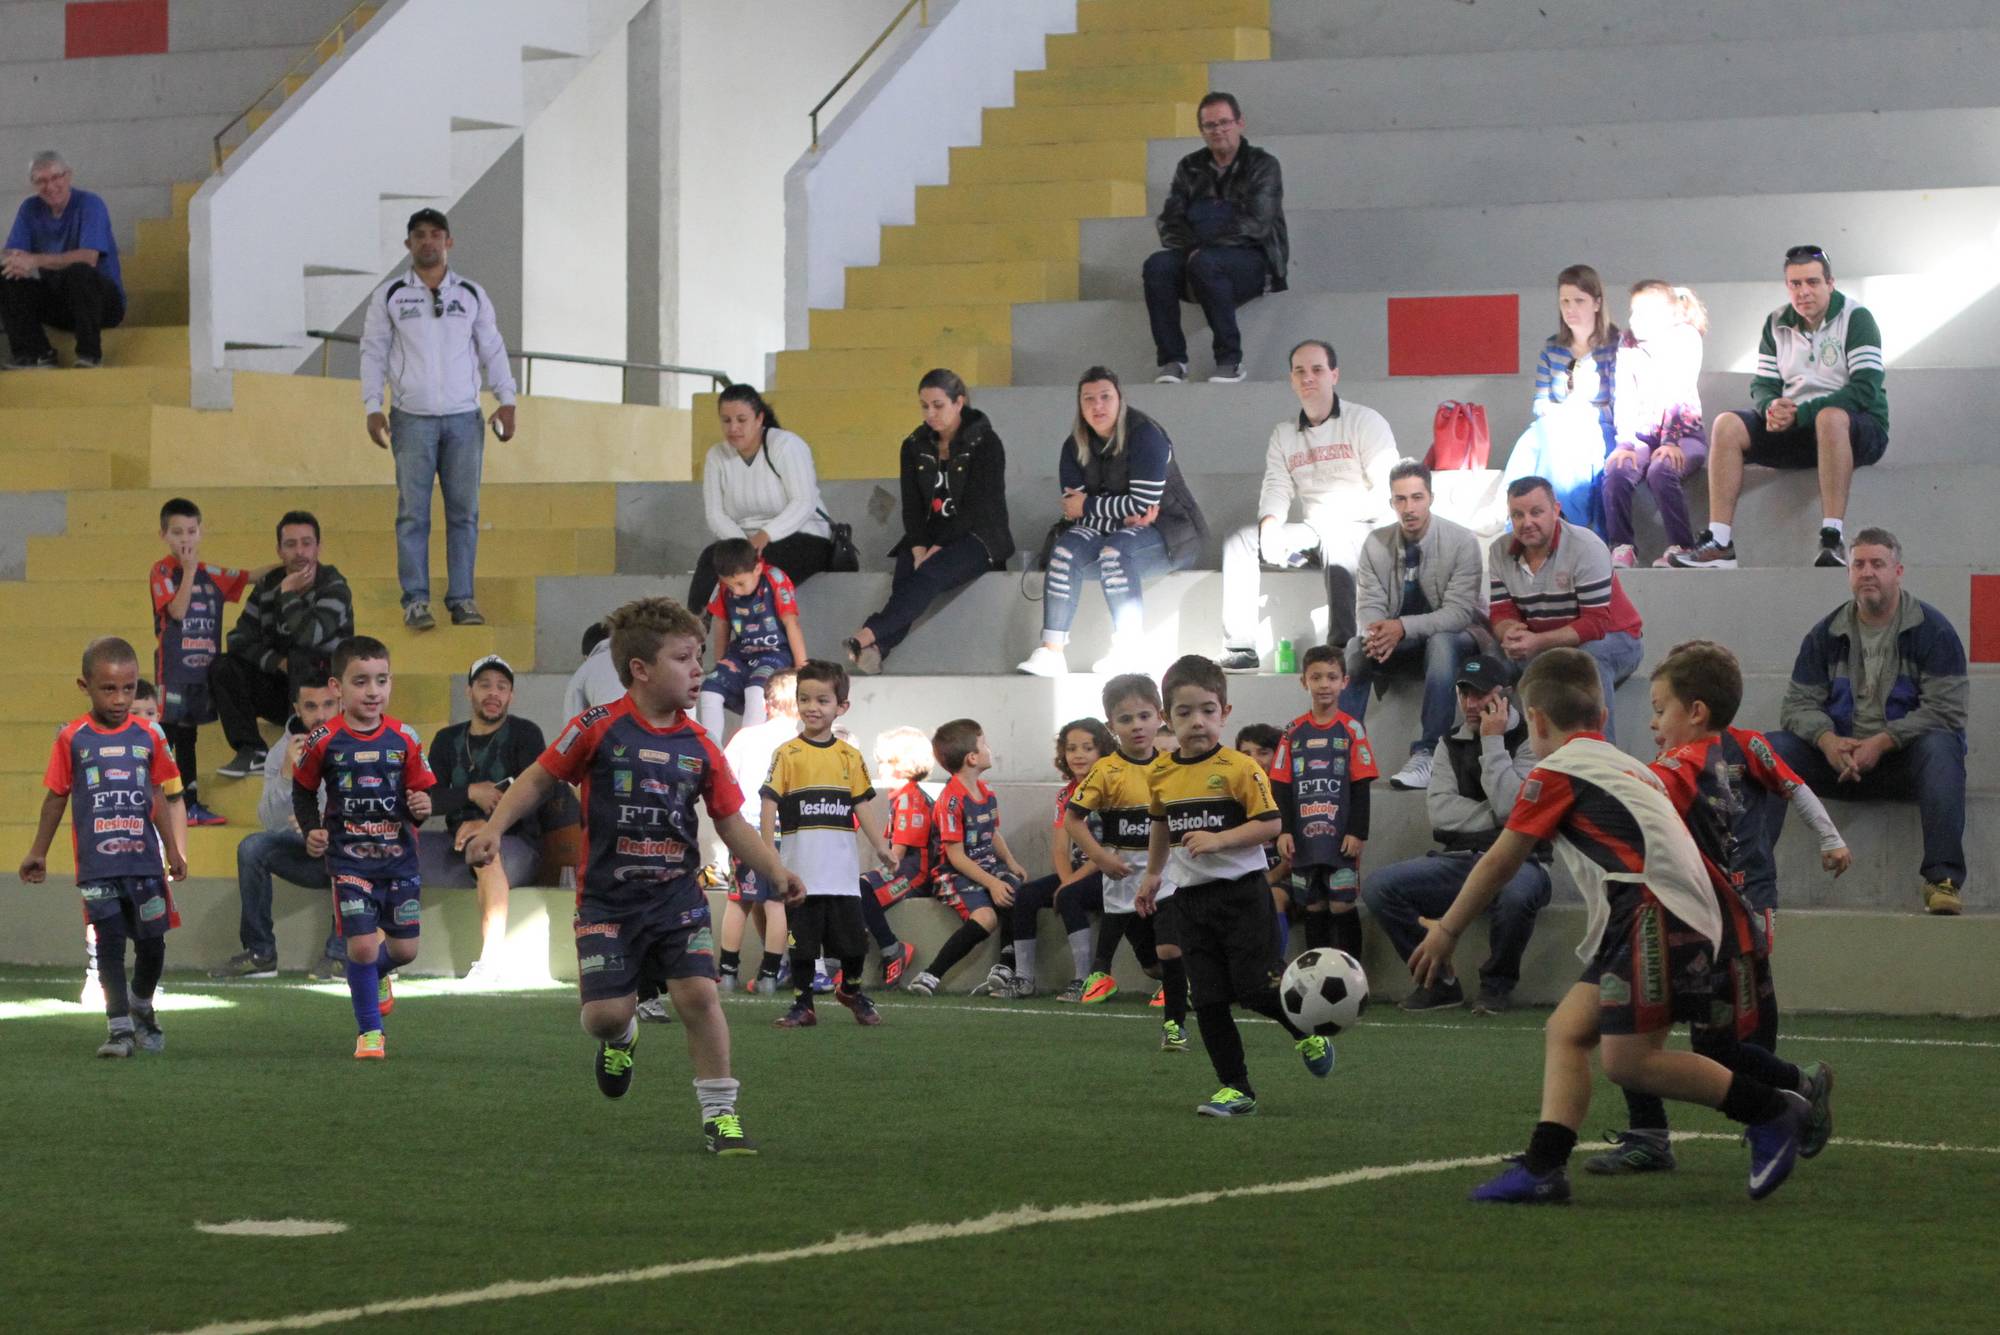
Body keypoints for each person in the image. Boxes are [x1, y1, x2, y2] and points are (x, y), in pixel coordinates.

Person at [1408, 648, 1812, 1204]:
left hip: (1650, 911)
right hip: (1672, 910)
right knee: (1568, 1031)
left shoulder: (1557, 771)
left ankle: (1771, 1112)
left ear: (1537, 721)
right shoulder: (1626, 764)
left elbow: (1501, 860)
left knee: (1630, 1062)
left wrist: (1449, 930)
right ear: (1601, 717)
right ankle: (1545, 1167)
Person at [466, 596, 805, 1155]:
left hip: (677, 898)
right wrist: (495, 828)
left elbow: (730, 820)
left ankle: (721, 1114)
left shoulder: (701, 745)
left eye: (699, 657)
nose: (698, 670)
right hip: (606, 902)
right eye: (684, 659)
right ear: (641, 669)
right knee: (603, 1016)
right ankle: (621, 1037)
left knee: (699, 996)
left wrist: (774, 868)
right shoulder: (597, 727)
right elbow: (538, 779)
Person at [1586, 641, 1842, 1176]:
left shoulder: (1691, 762)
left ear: (1697, 711)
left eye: (1660, 709)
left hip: (1708, 922)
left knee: (1650, 1029)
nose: (1653, 722)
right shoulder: (1697, 759)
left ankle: (1772, 1100)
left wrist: (1576, 774)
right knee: (1689, 1039)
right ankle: (1790, 1088)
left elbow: (1640, 794)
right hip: (1699, 921)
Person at [1139, 654, 1329, 1116]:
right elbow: (1161, 826)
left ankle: (1305, 1031)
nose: (1197, 722)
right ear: (1166, 717)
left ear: (1224, 713)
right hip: (1189, 902)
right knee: (1206, 999)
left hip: (1243, 896)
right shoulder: (1161, 772)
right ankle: (1236, 1088)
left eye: (1207, 710)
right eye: (1184, 712)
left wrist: (1219, 839)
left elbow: (1270, 824)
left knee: (1254, 989)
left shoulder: (1241, 768)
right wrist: (1152, 873)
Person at [1760, 529, 1968, 915]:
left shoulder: (1933, 631)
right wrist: (1827, 741)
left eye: (1877, 564)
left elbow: (1947, 710)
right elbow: (1797, 706)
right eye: (1859, 564)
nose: (1867, 572)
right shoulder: (1826, 633)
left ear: (1898, 572)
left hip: (1902, 763)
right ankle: (1752, 882)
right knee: (1767, 750)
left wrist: (1882, 742)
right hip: (1839, 762)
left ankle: (1943, 880)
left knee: (1942, 747)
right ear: (1849, 573)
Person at [19, 637, 187, 1057]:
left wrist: (172, 849)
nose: (120, 699)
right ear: (86, 686)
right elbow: (56, 797)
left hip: (145, 863)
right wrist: (38, 851)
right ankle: (119, 1030)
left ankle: (141, 1003)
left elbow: (157, 794)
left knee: (152, 945)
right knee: (109, 943)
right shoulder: (72, 738)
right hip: (97, 865)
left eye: (128, 688)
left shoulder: (149, 736)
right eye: (109, 689)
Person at [1672, 244, 1888, 570]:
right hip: (1799, 427)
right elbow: (1763, 384)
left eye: (1812, 282)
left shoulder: (1857, 318)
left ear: (1830, 283)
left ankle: (1832, 538)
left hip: (1857, 427)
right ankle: (1720, 542)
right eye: (1795, 284)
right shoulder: (1776, 321)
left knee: (1829, 419)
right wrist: (1771, 407)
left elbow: (1865, 389)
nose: (1803, 292)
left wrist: (1801, 413)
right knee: (1727, 424)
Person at [1363, 652, 1551, 1016]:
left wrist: (1493, 742)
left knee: (1516, 894)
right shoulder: (1448, 744)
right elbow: (1443, 815)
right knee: (1379, 887)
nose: (1470, 703)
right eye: (1464, 693)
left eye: (1480, 694)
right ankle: (1439, 983)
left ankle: (1495, 988)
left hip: (1523, 861)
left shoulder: (1533, 740)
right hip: (1460, 861)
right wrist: (1500, 817)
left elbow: (1511, 808)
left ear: (1505, 695)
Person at [359, 208, 518, 630]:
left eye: (435, 234)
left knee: (464, 513)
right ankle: (415, 600)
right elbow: (373, 351)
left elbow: (492, 348)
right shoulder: (391, 295)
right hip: (411, 419)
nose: (427, 241)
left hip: (465, 419)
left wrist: (506, 399)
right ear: (408, 244)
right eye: (419, 235)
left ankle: (462, 598)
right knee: (413, 513)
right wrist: (372, 405)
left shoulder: (471, 293)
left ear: (448, 241)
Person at [292, 637, 437, 1059]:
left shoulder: (405, 738)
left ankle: (375, 976)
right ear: (337, 687)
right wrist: (311, 830)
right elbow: (303, 790)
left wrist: (422, 807)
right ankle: (370, 1032)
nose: (373, 691)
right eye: (361, 682)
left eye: (381, 680)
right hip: (349, 861)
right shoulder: (323, 739)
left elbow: (422, 795)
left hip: (399, 860)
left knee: (405, 950)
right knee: (361, 946)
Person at [1220, 339, 1398, 672]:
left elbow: (1387, 494)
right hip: (1313, 534)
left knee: (1337, 536)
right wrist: (1270, 523)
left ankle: (1342, 647)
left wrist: (1332, 520)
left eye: (1317, 369)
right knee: (1240, 539)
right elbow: (1277, 486)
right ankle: (1241, 647)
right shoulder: (1284, 433)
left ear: (1334, 375)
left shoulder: (1365, 421)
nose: (1308, 377)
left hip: (1366, 533)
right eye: (1299, 371)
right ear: (1291, 379)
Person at [1018, 367, 1208, 676]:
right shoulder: (1073, 445)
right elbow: (1075, 510)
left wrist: (1091, 506)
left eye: (1105, 397)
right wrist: (1119, 515)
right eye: (1088, 399)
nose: (1098, 406)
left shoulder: (1146, 435)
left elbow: (1140, 505)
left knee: (1115, 551)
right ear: (1080, 405)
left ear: (1120, 399)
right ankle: (1051, 651)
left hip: (1171, 533)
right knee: (1064, 550)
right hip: (1115, 531)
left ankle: (1129, 649)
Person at [846, 369, 1015, 674]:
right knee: (906, 573)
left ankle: (867, 635)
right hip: (931, 530)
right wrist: (918, 545)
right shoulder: (914, 444)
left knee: (931, 572)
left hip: (979, 535)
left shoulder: (985, 443)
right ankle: (879, 648)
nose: (930, 414)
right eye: (924, 406)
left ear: (958, 402)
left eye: (938, 405)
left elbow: (977, 506)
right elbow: (911, 505)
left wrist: (937, 547)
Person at [761, 661, 894, 1028]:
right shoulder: (787, 754)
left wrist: (881, 846)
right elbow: (769, 801)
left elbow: (861, 805)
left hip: (841, 876)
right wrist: (768, 850)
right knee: (802, 945)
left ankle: (850, 989)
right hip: (800, 874)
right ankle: (803, 1004)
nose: (812, 707)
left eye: (822, 700)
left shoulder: (849, 757)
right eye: (804, 699)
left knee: (854, 944)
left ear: (841, 707)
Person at [1341, 460, 1483, 790]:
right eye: (1401, 499)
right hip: (1398, 643)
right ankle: (1345, 751)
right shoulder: (1376, 542)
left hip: (1453, 642)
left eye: (1417, 497)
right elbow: (1369, 604)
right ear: (1391, 502)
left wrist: (1401, 627)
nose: (1409, 508)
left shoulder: (1461, 541)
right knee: (1355, 648)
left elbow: (1459, 613)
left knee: (1442, 642)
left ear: (1431, 497)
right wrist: (1376, 633)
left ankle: (1429, 752)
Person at [421, 655, 555, 983]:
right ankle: (380, 953)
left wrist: (488, 827)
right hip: (454, 845)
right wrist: (470, 793)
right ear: (469, 691)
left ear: (511, 696)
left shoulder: (525, 734)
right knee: (390, 848)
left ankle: (489, 962)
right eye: (484, 685)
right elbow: (427, 800)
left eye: (502, 687)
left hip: (515, 843)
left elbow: (539, 793)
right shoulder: (447, 740)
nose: (493, 693)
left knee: (486, 850)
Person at [208, 672, 347, 982]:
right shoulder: (280, 753)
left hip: (348, 852)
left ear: (341, 703)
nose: (320, 715)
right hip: (307, 854)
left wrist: (327, 825)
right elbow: (271, 823)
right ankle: (261, 953)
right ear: (297, 709)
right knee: (252, 847)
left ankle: (341, 954)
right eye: (310, 706)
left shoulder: (357, 743)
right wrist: (287, 775)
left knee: (357, 845)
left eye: (328, 705)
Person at [1486, 477, 1644, 744]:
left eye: (1536, 512)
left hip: (1616, 638)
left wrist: (1537, 642)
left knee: (1587, 661)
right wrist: (1510, 632)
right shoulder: (1499, 550)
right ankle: (1502, 754)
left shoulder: (1586, 546)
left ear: (1555, 510)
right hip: (1544, 642)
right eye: (1518, 515)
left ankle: (1600, 757)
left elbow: (1595, 624)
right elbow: (1501, 612)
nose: (1526, 522)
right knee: (1488, 660)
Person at [1143, 92, 1287, 384]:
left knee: (1206, 262)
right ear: (1201, 130)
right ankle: (1172, 361)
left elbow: (1257, 224)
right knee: (1157, 265)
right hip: (1198, 256)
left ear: (1239, 123)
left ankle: (1230, 360)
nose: (1218, 130)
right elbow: (1169, 221)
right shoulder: (1189, 166)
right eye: (1210, 125)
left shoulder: (1263, 164)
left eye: (1224, 122)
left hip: (1253, 261)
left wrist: (1203, 243)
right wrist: (1195, 248)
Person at [211, 511, 354, 779]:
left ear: (318, 547)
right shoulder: (268, 584)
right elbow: (238, 639)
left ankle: (307, 748)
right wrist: (277, 662)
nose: (299, 551)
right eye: (290, 544)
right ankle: (252, 751)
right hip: (281, 688)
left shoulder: (334, 585)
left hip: (327, 694)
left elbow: (310, 636)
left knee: (304, 655)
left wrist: (288, 593)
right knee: (223, 666)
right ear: (279, 550)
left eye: (306, 543)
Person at [150, 497, 262, 826]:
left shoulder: (212, 574)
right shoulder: (162, 571)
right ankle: (155, 804)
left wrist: (289, 566)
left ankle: (189, 805)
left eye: (191, 531)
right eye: (177, 532)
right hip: (173, 673)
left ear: (201, 532)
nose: (185, 539)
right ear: (163, 535)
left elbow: (250, 576)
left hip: (201, 677)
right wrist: (188, 571)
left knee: (189, 737)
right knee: (166, 736)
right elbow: (177, 611)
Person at [1063, 674, 1171, 1005]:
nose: (1136, 725)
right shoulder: (1105, 770)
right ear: (1111, 726)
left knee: (1171, 932)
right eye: (1125, 719)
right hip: (1121, 872)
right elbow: (1072, 820)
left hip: (1166, 875)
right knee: (1145, 957)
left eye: (1144, 716)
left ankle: (1179, 982)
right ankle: (1100, 976)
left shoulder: (1171, 767)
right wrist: (1101, 858)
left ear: (1160, 717)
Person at [991, 718, 1116, 1002]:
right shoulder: (1065, 794)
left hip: (1109, 872)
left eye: (1087, 748)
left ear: (1103, 751)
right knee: (1025, 895)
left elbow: (1109, 850)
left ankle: (1084, 981)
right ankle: (1024, 978)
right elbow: (1060, 849)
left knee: (1070, 895)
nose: (1078, 755)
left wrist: (1069, 885)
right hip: (1079, 872)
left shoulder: (1113, 789)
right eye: (1072, 748)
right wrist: (1066, 879)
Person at [905, 719, 1030, 997]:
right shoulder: (950, 800)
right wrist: (993, 883)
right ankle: (931, 974)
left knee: (1019, 892)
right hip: (954, 874)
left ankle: (1005, 965)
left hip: (986, 867)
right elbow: (956, 857)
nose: (989, 749)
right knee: (986, 917)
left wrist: (1010, 862)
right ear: (972, 757)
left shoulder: (987, 793)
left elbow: (992, 833)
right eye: (984, 743)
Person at [1271, 645, 1378, 961]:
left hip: (1340, 839)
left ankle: (1353, 974)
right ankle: (1315, 974)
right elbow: (1281, 785)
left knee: (1341, 904)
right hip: (1303, 840)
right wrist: (1284, 830)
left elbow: (1361, 784)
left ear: (1345, 682)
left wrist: (1357, 831)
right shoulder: (1293, 731)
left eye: (1332, 677)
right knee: (1313, 905)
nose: (1324, 684)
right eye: (1316, 677)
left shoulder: (1352, 729)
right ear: (1303, 681)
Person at [691, 384, 836, 615]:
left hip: (802, 537)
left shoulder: (786, 445)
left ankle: (759, 631)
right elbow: (715, 514)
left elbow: (803, 502)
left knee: (761, 570)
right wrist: (742, 546)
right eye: (726, 420)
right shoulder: (716, 456)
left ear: (759, 419)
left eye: (741, 420)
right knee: (711, 558)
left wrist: (765, 535)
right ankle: (694, 626)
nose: (733, 428)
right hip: (745, 542)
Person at [1500, 264, 1619, 532]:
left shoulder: (1613, 347)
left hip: (1598, 427)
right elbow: (1540, 402)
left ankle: (1567, 525)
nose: (1570, 308)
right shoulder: (1553, 348)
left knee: (1567, 454)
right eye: (1564, 301)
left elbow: (1619, 403)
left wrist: (1583, 411)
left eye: (1579, 300)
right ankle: (1515, 520)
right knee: (1530, 444)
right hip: (1557, 422)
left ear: (1597, 303)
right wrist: (1562, 411)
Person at [1603, 281, 1708, 569]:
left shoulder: (1685, 338)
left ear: (1669, 315)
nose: (1635, 319)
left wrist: (1670, 441)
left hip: (1684, 436)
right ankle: (1621, 545)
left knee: (1661, 470)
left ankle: (1682, 546)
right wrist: (1625, 442)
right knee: (1616, 471)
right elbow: (1624, 394)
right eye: (1633, 312)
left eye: (1644, 312)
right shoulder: (1627, 343)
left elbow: (1678, 389)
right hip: (1642, 437)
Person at [717, 668, 799, 996]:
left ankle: (727, 973)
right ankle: (770, 975)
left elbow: (725, 777)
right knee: (776, 901)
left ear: (766, 704)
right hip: (782, 828)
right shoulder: (799, 743)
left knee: (739, 900)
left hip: (745, 828)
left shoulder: (745, 737)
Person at [0, 151, 122, 370]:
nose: (50, 186)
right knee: (5, 275)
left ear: (69, 176)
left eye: (56, 177)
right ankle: (36, 355)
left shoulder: (90, 204)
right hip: (62, 304)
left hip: (102, 304)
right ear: (33, 185)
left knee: (79, 271)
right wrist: (15, 261)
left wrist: (34, 260)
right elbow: (13, 253)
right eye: (41, 181)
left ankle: (89, 356)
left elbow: (89, 257)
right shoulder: (29, 208)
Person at [696, 538, 807, 740]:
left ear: (757, 569)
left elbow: (792, 623)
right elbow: (722, 625)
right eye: (730, 585)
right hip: (740, 653)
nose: (735, 591)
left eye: (740, 583)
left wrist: (802, 668)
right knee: (710, 689)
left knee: (757, 690)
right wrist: (721, 663)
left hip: (775, 653)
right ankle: (713, 750)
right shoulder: (724, 587)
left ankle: (748, 745)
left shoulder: (775, 579)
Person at [564, 621, 623, 718]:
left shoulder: (584, 670)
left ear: (585, 657)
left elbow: (573, 722)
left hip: (613, 724)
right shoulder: (636, 659)